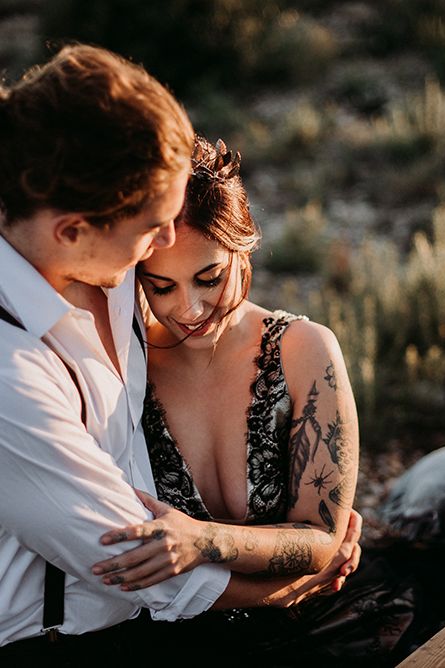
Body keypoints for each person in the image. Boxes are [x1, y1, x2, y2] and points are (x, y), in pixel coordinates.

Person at [0, 44, 359, 666]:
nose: (161, 248)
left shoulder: (110, 272)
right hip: (48, 645)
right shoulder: (12, 366)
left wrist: (309, 545)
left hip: (146, 628)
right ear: (73, 229)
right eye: (151, 233)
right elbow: (133, 559)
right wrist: (294, 578)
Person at [88, 135, 423, 666]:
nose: (189, 308)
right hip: (184, 637)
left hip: (323, 621)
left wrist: (201, 540)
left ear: (243, 248)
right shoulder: (129, 369)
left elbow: (321, 540)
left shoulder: (303, 351)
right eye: (161, 286)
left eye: (209, 277)